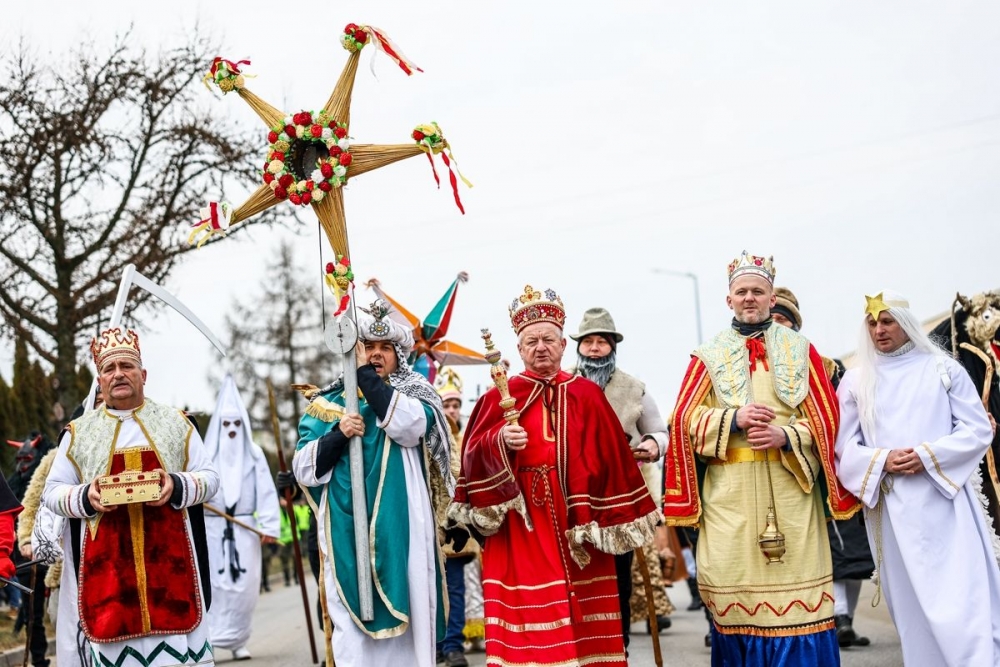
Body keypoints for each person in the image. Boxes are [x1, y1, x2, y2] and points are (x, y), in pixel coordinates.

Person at [663, 253, 858, 665]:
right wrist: (733, 418)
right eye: (741, 292)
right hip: (728, 502)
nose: (749, 298)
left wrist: (784, 434)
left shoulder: (802, 350)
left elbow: (828, 423)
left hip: (792, 497)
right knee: (735, 604)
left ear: (772, 297)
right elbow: (682, 420)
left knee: (799, 604)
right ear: (729, 299)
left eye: (757, 291)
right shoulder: (708, 355)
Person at [448, 285, 659, 666]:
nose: (540, 347)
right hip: (522, 522)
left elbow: (613, 458)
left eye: (548, 339)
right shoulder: (500, 396)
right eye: (531, 341)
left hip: (579, 520)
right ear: (519, 349)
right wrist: (498, 440)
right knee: (531, 609)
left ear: (564, 346)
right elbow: (471, 457)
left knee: (586, 617)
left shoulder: (588, 395)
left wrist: (625, 510)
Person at [834, 290, 1000, 665]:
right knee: (911, 606)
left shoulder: (944, 369)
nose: (879, 330)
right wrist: (883, 459)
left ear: (906, 324)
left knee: (963, 594)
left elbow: (976, 430)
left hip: (947, 502)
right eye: (872, 323)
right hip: (893, 509)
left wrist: (927, 456)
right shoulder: (858, 381)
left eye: (887, 321)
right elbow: (844, 448)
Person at [42, 327, 220, 667]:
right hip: (108, 575)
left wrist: (175, 485)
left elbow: (210, 479)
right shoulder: (79, 433)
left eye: (126, 365)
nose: (118, 374)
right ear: (100, 380)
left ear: (143, 374)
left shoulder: (177, 424)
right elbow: (52, 492)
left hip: (172, 568)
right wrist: (86, 495)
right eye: (109, 369)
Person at [293, 299, 452, 667]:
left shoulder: (415, 393)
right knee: (352, 632)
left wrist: (364, 376)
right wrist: (337, 434)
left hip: (403, 527)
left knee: (412, 617)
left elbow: (411, 427)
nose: (377, 355)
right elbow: (304, 468)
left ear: (398, 354)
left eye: (385, 349)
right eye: (368, 348)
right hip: (345, 531)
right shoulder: (327, 404)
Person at [771, 286, 873, 649]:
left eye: (784, 319)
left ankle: (844, 618)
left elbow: (846, 417)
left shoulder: (826, 366)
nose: (777, 325)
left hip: (831, 470)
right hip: (783, 474)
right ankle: (821, 618)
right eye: (774, 318)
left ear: (795, 325)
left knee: (850, 551)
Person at [568, 307, 673, 640]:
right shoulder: (563, 384)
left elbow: (659, 431)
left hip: (619, 498)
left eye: (602, 341)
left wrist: (655, 444)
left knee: (618, 576)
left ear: (613, 346)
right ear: (578, 347)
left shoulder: (633, 388)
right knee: (575, 572)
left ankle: (619, 643)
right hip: (572, 496)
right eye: (588, 342)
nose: (595, 348)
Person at [203, 374, 281, 660]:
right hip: (213, 530)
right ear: (219, 426)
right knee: (213, 587)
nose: (232, 431)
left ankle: (237, 640)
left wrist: (269, 526)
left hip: (245, 528)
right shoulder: (206, 456)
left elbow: (267, 492)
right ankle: (210, 640)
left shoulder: (255, 455)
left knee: (245, 588)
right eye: (226, 424)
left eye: (237, 424)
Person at [431, 368, 477, 667]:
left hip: (458, 522)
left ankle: (453, 644)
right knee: (431, 587)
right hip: (431, 522)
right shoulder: (430, 434)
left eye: (455, 405)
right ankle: (435, 643)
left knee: (457, 587)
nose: (450, 410)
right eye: (445, 405)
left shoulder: (468, 437)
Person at [7, 431, 55, 667]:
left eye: (27, 460)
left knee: (58, 611)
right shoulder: (11, 484)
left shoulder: (49, 480)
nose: (22, 465)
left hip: (51, 556)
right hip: (23, 557)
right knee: (32, 615)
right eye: (19, 460)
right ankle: (39, 660)